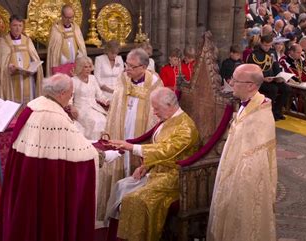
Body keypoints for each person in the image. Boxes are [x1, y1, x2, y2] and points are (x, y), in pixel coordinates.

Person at [0, 73, 98, 241]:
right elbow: (84, 155)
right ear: (62, 94)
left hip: (28, 179)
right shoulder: (56, 117)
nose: (72, 97)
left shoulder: (33, 106)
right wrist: (100, 155)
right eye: (71, 93)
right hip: (47, 183)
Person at [105, 87, 200, 241]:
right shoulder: (168, 119)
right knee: (121, 186)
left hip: (176, 178)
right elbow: (159, 146)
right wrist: (145, 166)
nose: (154, 112)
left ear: (169, 105)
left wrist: (131, 147)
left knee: (134, 200)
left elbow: (166, 150)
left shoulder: (186, 128)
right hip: (157, 170)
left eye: (156, 108)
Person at [207, 64, 277, 241]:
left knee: (243, 220)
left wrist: (235, 186)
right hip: (231, 171)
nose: (230, 83)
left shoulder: (260, 114)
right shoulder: (247, 105)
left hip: (244, 181)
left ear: (250, 86)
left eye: (235, 80)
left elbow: (255, 162)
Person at [96, 48, 162, 221]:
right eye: (127, 65)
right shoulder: (123, 78)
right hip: (122, 127)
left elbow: (155, 114)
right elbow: (117, 105)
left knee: (133, 164)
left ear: (144, 67)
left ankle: (132, 211)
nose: (127, 69)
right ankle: (115, 209)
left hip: (141, 132)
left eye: (132, 66)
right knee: (120, 161)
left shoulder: (154, 83)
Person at [0, 14, 44, 103]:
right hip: (11, 80)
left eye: (20, 25)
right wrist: (8, 67)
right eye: (15, 25)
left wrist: (34, 68)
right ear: (10, 26)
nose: (17, 28)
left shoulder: (27, 40)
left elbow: (34, 58)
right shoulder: (3, 42)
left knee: (28, 104)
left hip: (27, 78)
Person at [247, 34, 291, 120]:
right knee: (273, 89)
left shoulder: (272, 52)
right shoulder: (255, 54)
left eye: (269, 45)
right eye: (265, 45)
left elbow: (275, 65)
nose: (267, 47)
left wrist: (279, 76)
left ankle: (277, 111)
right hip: (260, 80)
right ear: (261, 43)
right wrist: (263, 78)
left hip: (272, 78)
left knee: (287, 89)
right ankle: (268, 112)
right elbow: (252, 70)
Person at [71, 56, 109, 140]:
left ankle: (103, 144)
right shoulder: (73, 80)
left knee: (104, 120)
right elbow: (69, 98)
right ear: (80, 68)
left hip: (94, 107)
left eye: (89, 67)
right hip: (80, 108)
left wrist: (107, 101)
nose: (88, 69)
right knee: (94, 121)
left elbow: (99, 95)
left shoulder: (92, 78)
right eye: (85, 67)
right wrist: (71, 107)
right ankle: (93, 144)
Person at [46, 4, 87, 76]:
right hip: (61, 65)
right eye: (67, 17)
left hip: (76, 63)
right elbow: (54, 49)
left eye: (71, 17)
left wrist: (80, 56)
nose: (69, 20)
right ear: (62, 15)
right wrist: (62, 58)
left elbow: (81, 46)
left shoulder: (76, 28)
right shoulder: (56, 29)